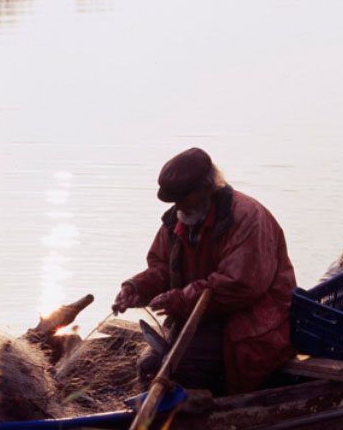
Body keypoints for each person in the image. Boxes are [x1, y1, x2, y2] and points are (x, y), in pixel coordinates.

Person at [111, 148, 296, 394]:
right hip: (200, 318)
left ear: (207, 188)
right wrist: (138, 288)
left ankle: (197, 420)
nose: (177, 205)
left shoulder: (248, 218)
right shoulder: (178, 219)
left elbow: (240, 285)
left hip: (251, 324)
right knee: (149, 365)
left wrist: (179, 299)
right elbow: (162, 267)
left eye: (182, 197)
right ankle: (170, 421)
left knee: (177, 370)